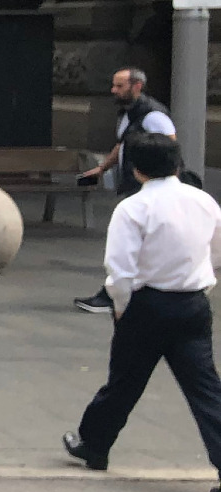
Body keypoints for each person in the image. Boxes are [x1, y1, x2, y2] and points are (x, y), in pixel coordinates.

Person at [62, 133, 221, 492]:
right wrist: (202, 285)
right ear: (178, 165)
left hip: (147, 305)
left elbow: (120, 271)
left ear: (135, 169)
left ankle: (95, 444)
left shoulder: (133, 209)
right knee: (205, 388)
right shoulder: (204, 202)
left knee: (124, 381)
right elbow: (216, 252)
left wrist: (121, 307)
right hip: (193, 303)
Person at [75, 67, 178, 314]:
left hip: (147, 186)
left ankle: (112, 295)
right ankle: (125, 293)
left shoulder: (153, 115)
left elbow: (170, 148)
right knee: (136, 241)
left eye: (119, 86)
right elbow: (122, 143)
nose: (114, 90)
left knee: (131, 241)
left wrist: (167, 181)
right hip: (135, 183)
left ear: (137, 87)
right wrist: (102, 168)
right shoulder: (128, 113)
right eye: (114, 85)